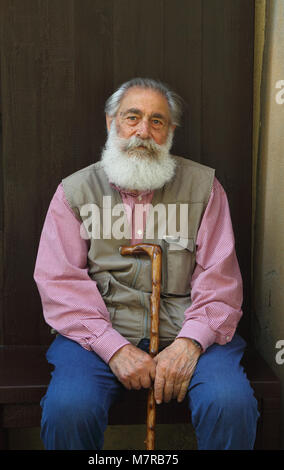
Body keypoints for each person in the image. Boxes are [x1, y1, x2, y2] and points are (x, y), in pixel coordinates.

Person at [34, 78, 259, 450]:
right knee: (68, 409)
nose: (143, 131)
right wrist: (114, 348)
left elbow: (220, 281)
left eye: (157, 121)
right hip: (98, 336)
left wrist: (189, 343)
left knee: (230, 405)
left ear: (170, 131)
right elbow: (59, 283)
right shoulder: (75, 192)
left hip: (188, 330)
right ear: (111, 123)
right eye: (132, 117)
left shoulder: (203, 187)